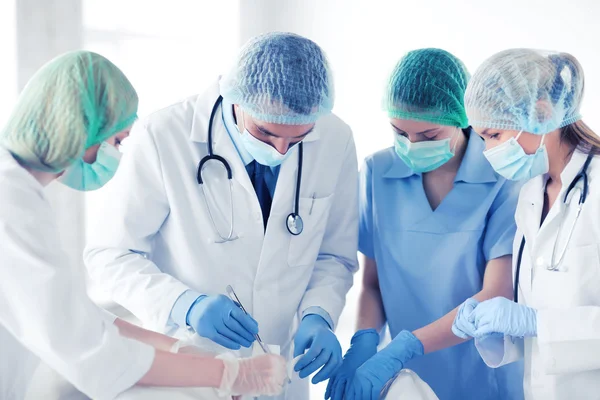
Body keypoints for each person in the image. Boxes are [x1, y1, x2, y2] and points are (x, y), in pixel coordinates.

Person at [83, 32, 358, 399]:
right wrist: (185, 305)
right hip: (192, 366)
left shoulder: (336, 138)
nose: (280, 150)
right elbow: (109, 255)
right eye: (265, 132)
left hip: (281, 371)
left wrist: (319, 313)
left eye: (297, 140)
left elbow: (334, 255)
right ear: (236, 100)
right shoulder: (165, 136)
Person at [0, 50, 287, 400]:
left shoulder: (19, 193)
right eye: (117, 141)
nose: (116, 155)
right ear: (79, 130)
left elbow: (80, 317)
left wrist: (182, 351)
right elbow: (88, 349)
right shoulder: (10, 202)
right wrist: (227, 373)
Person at [327, 48, 524, 400]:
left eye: (429, 136)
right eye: (400, 133)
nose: (411, 145)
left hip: (482, 371)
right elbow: (373, 285)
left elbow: (497, 293)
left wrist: (408, 345)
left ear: (463, 118)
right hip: (403, 378)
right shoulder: (378, 173)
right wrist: (364, 343)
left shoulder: (502, 177)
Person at [453, 48, 600, 400]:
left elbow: (541, 321)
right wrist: (496, 329)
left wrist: (535, 322)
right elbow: (536, 309)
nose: (487, 151)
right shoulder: (531, 193)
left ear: (541, 113)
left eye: (493, 135)